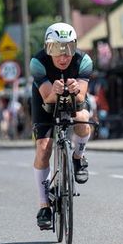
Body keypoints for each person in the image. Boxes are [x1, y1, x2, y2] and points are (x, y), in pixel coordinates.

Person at [30, 22, 93, 230]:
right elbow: (47, 99)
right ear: (48, 48)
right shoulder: (38, 63)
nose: (63, 57)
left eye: (68, 49)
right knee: (43, 148)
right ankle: (44, 206)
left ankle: (78, 157)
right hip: (45, 102)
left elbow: (81, 98)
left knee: (83, 118)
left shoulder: (84, 61)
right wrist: (54, 91)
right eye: (57, 49)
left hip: (73, 100)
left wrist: (75, 90)